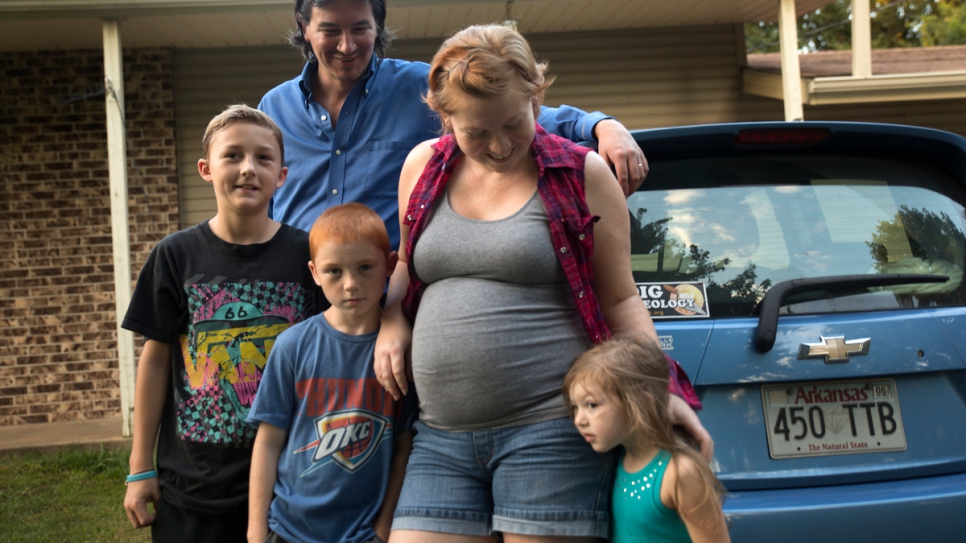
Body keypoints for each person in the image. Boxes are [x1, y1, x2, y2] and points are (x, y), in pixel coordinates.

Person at [374, 25, 708, 542]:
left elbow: (620, 299)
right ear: (445, 118)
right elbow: (405, 267)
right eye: (477, 132)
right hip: (439, 437)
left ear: (536, 96)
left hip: (552, 431)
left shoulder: (581, 174)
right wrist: (393, 319)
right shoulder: (422, 167)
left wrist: (661, 389)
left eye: (512, 123)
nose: (500, 145)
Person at [259, 0, 649, 249]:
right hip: (304, 306)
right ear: (305, 27)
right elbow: (263, 204)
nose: (347, 45)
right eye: (330, 30)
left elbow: (513, 115)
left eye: (360, 28)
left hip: (391, 307)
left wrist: (602, 126)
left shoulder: (417, 86)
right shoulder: (273, 108)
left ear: (377, 26)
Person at [121, 105, 324, 542]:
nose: (248, 169)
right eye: (232, 155)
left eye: (263, 158)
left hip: (290, 485)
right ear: (206, 169)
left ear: (282, 175)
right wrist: (141, 467)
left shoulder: (308, 255)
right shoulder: (175, 256)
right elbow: (155, 362)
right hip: (193, 489)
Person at [247, 203, 417, 543]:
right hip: (290, 530)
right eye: (334, 271)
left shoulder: (401, 352)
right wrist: (255, 533)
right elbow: (267, 443)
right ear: (314, 272)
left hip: (363, 533)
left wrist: (383, 528)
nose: (351, 284)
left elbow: (403, 445)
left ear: (390, 264)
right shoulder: (292, 346)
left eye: (365, 267)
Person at [563, 338, 729, 543]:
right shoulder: (615, 463)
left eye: (592, 405)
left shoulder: (679, 472)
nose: (579, 420)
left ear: (641, 403)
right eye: (576, 408)